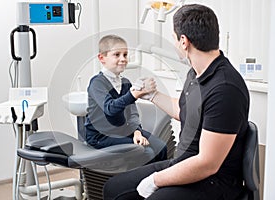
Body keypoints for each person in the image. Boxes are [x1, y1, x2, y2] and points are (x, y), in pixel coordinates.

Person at [103, 4, 249, 200]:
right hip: (184, 162)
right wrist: (152, 95)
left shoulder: (225, 89)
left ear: (183, 41)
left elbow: (208, 164)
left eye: (173, 37)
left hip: (214, 180)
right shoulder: (196, 73)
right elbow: (184, 112)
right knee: (114, 189)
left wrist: (156, 180)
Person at [84, 34, 167, 164]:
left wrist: (137, 132)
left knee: (161, 147)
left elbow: (132, 113)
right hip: (100, 136)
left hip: (123, 131)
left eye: (125, 54)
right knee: (146, 152)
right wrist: (133, 94)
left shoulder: (126, 83)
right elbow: (110, 108)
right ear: (102, 58)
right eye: (117, 55)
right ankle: (141, 183)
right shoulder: (97, 83)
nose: (123, 59)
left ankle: (160, 182)